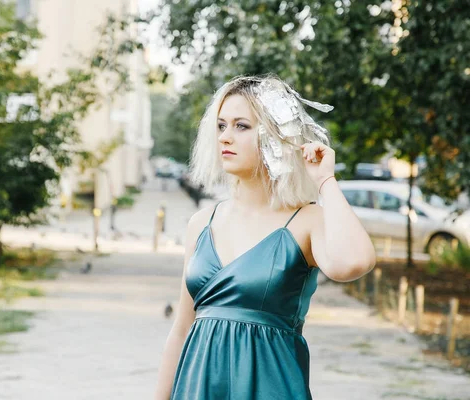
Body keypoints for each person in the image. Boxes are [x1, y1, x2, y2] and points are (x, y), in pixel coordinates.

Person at [154, 74, 376, 400]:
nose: (226, 137)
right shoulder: (202, 222)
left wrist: (326, 180)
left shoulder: (306, 219)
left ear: (274, 136)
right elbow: (182, 327)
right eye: (221, 126)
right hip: (197, 388)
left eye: (241, 126)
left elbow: (354, 263)